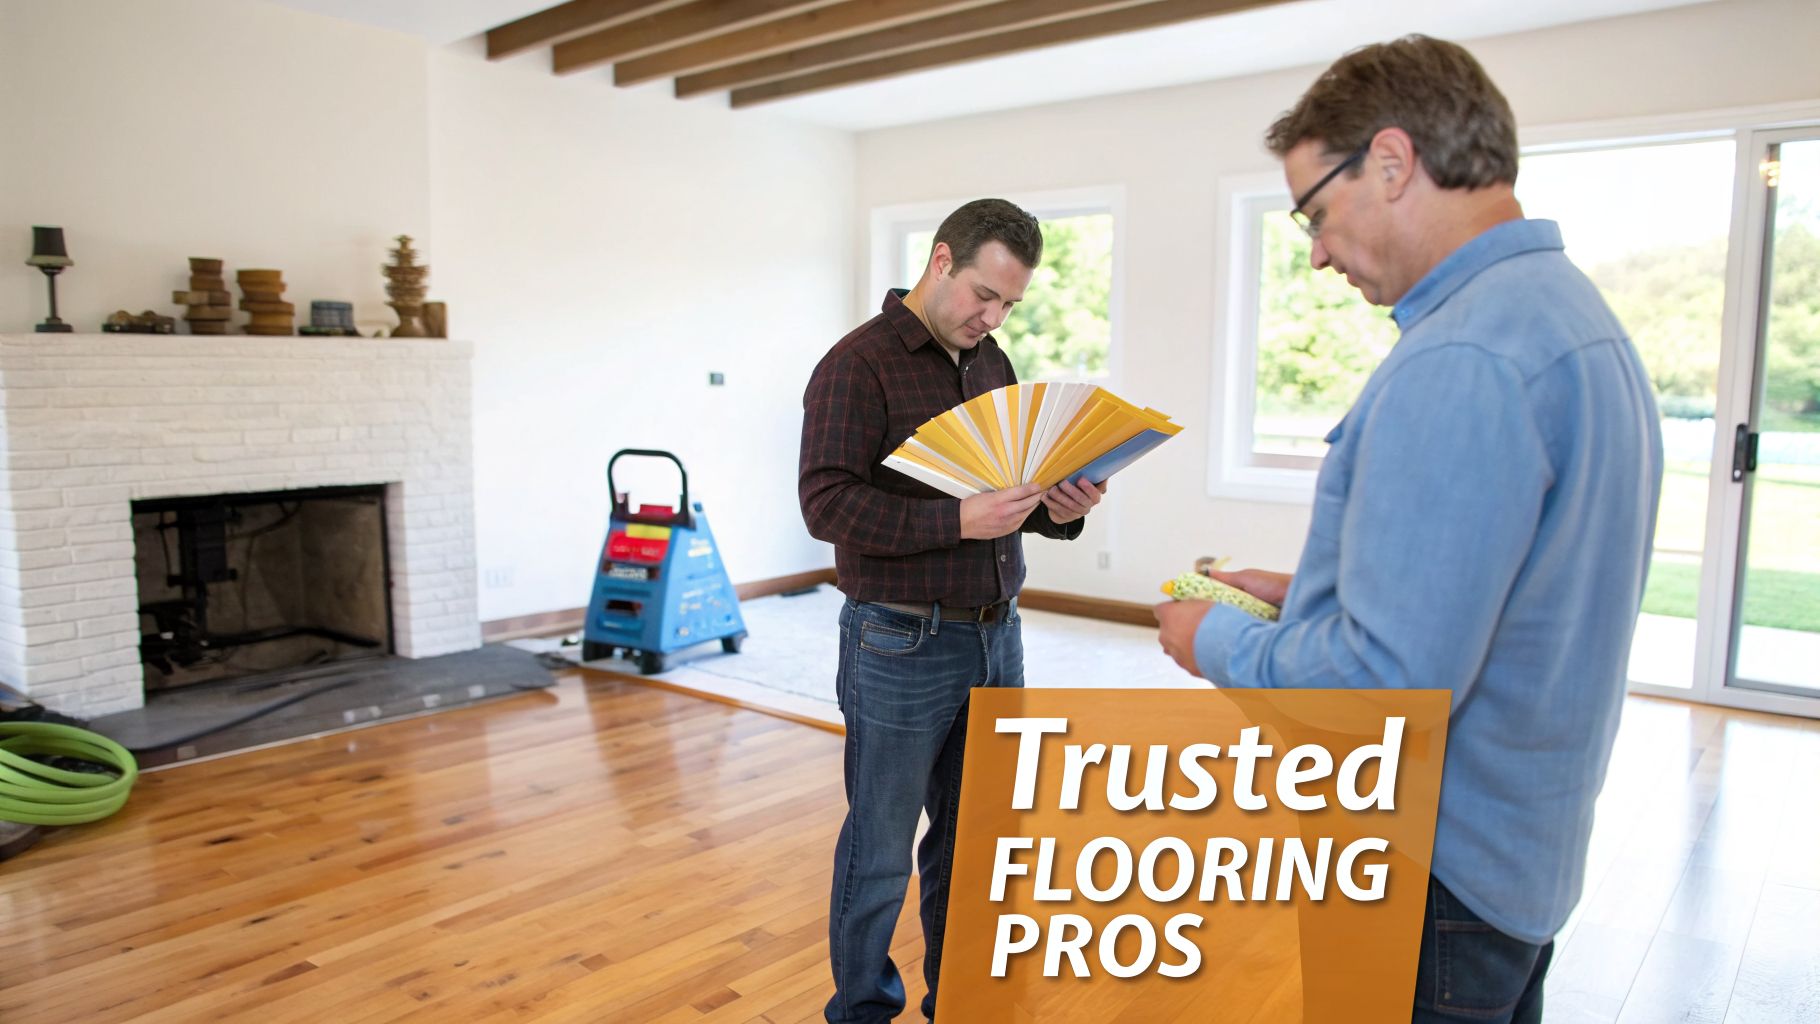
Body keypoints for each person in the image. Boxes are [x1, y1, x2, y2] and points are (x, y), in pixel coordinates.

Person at [1153, 35, 1663, 1024]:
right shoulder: (1568, 318)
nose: (1314, 250)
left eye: (1313, 211)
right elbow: (1503, 588)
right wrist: (1306, 595)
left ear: (1389, 162)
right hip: (1515, 863)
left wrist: (1210, 639)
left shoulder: (1460, 356)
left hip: (1425, 872)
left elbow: (1385, 687)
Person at [800, 197, 1105, 1023]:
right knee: (880, 851)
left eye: (1010, 303)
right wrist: (958, 520)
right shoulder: (855, 365)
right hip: (898, 642)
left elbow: (1007, 490)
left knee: (978, 845)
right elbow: (826, 506)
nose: (993, 317)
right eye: (983, 294)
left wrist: (1060, 510)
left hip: (997, 637)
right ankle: (861, 1011)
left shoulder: (990, 360)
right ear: (941, 262)